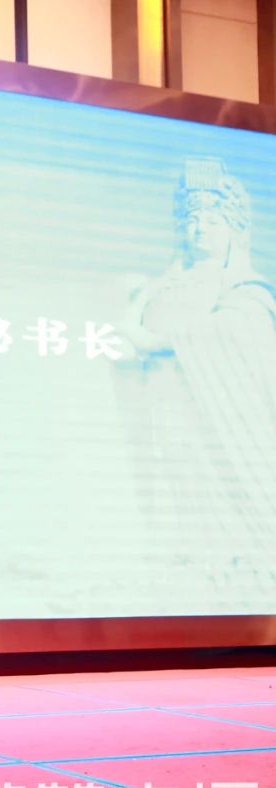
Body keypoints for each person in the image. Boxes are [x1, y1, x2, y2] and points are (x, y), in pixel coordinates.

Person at [114, 159, 276, 592]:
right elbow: (128, 328)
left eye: (212, 220)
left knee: (219, 484)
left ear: (233, 229)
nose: (200, 229)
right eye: (192, 220)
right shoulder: (167, 285)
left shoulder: (243, 286)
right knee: (179, 482)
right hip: (169, 406)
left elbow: (241, 329)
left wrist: (159, 342)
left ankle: (240, 566)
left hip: (219, 412)